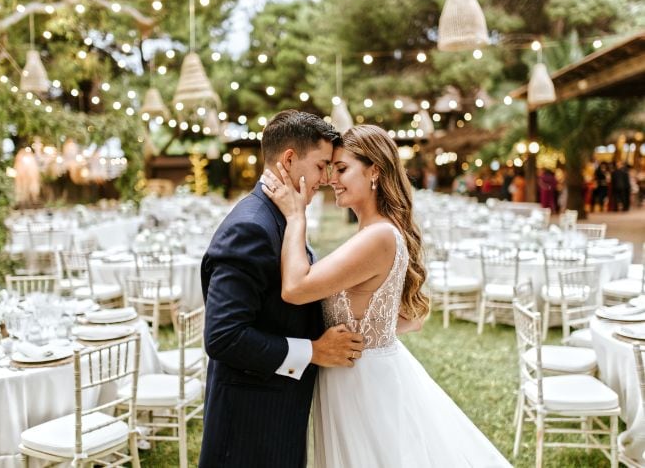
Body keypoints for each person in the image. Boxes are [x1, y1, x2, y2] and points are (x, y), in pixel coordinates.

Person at [262, 125, 510, 467]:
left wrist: (295, 216)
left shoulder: (378, 236)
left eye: (343, 169)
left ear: (375, 170)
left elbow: (295, 288)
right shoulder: (378, 231)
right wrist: (370, 331)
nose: (333, 178)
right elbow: (412, 318)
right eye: (331, 168)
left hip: (364, 386)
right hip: (358, 373)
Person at [199, 110, 365, 468]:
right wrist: (314, 351)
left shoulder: (284, 216)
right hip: (249, 423)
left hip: (276, 409)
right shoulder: (252, 227)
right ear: (289, 159)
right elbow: (224, 337)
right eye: (322, 165)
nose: (325, 178)